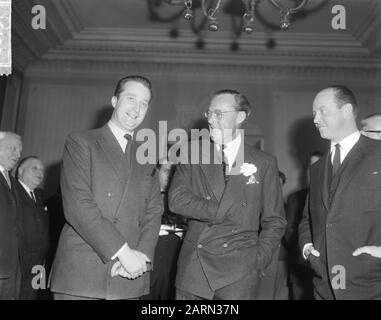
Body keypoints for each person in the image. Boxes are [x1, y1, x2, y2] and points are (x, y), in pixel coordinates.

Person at [50, 75, 163, 300]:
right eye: (131, 98)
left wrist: (141, 257)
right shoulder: (81, 142)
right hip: (82, 276)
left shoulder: (147, 156)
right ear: (114, 101)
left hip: (128, 277)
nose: (137, 108)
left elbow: (154, 211)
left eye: (144, 103)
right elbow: (78, 206)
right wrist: (123, 253)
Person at [168, 89, 287, 300]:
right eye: (209, 113)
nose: (211, 119)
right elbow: (177, 201)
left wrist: (258, 259)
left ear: (240, 116)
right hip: (195, 268)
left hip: (240, 270)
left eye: (219, 113)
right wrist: (224, 212)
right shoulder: (192, 151)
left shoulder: (264, 162)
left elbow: (275, 221)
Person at [299, 85, 381, 299]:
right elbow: (308, 218)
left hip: (371, 284)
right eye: (314, 113)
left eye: (322, 111)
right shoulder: (317, 169)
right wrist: (307, 248)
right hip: (324, 285)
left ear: (346, 110)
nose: (316, 119)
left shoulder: (378, 154)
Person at [285, 151, 322, 300]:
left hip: (327, 272)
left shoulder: (335, 196)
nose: (312, 170)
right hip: (301, 270)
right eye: (310, 166)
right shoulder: (295, 198)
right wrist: (307, 248)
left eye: (317, 166)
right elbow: (289, 233)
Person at [15, 156, 50, 300]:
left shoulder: (40, 196)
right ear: (20, 171)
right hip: (19, 262)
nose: (40, 173)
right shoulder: (11, 191)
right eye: (34, 168)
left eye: (42, 170)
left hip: (39, 263)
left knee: (33, 295)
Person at [0, 132, 22, 300]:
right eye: (12, 148)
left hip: (11, 266)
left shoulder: (13, 182)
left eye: (20, 150)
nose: (18, 154)